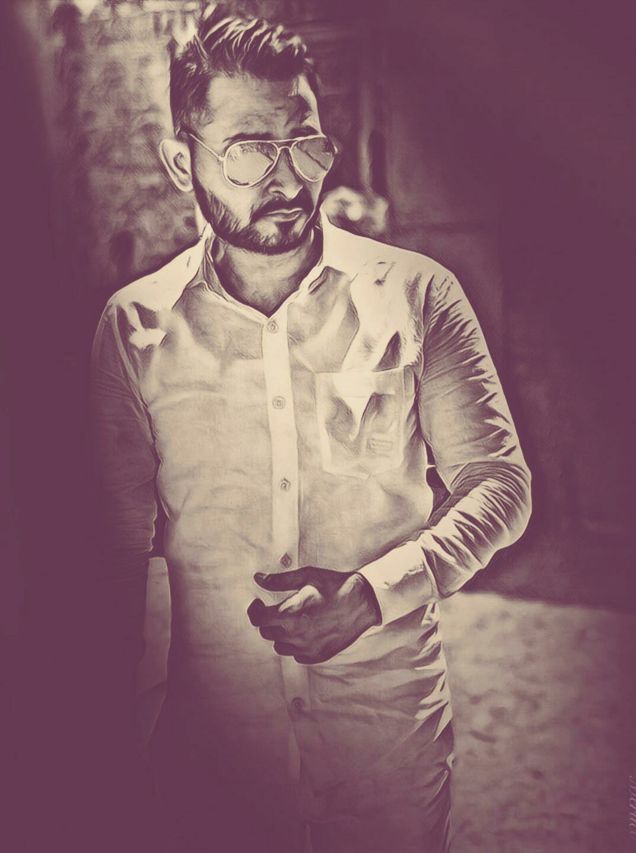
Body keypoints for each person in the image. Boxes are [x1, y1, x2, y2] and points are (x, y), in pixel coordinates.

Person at [89, 6, 532, 852]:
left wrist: (375, 592)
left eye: (305, 142)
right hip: (215, 773)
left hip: (389, 762)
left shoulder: (418, 295)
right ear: (182, 162)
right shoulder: (135, 330)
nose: (288, 176)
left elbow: (499, 485)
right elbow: (106, 560)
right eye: (250, 149)